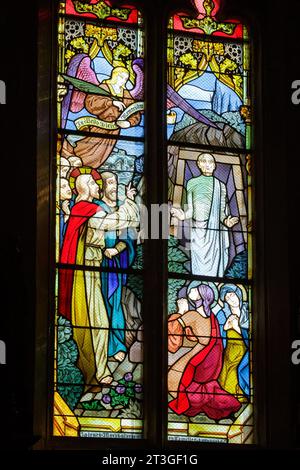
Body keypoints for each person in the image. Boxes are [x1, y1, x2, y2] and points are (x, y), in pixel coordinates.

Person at [58, 170, 139, 387]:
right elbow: (116, 221)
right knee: (96, 322)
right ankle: (97, 373)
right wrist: (130, 202)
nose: (97, 186)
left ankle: (99, 370)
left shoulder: (82, 210)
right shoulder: (87, 210)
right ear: (85, 188)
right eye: (94, 183)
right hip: (86, 273)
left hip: (91, 271)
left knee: (98, 321)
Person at [168, 283, 241, 420]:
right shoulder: (210, 315)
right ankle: (216, 402)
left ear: (201, 295)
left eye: (194, 290)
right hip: (211, 358)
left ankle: (198, 400)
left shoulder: (192, 315)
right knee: (197, 384)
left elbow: (172, 328)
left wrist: (180, 310)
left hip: (200, 356)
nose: (191, 291)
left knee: (177, 378)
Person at [171, 153, 239, 277]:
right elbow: (191, 211)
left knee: (215, 265)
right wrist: (182, 216)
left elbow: (221, 213)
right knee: (197, 265)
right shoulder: (191, 183)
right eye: (204, 161)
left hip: (214, 232)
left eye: (210, 162)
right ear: (199, 165)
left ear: (214, 166)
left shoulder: (221, 186)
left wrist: (226, 222)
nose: (207, 165)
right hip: (197, 230)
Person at [62, 66, 142, 168]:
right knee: (89, 146)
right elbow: (91, 102)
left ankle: (91, 168)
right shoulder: (104, 88)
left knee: (103, 153)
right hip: (101, 125)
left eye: (126, 79)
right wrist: (110, 102)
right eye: (122, 77)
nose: (124, 81)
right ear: (115, 76)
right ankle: (74, 160)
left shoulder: (125, 93)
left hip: (115, 129)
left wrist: (129, 123)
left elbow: (135, 112)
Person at [216, 284, 250, 401]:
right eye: (227, 299)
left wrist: (237, 328)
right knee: (225, 379)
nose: (231, 300)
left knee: (239, 372)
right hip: (228, 352)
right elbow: (219, 335)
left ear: (238, 294)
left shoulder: (249, 310)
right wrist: (227, 327)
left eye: (232, 295)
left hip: (245, 353)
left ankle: (239, 399)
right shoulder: (222, 314)